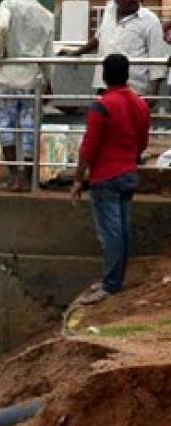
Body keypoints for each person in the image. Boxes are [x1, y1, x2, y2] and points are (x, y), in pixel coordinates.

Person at [71, 54, 149, 305]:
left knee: (110, 233)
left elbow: (89, 147)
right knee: (122, 229)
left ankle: (110, 284)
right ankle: (115, 279)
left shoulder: (102, 106)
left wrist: (77, 178)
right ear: (127, 74)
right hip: (128, 172)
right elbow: (142, 142)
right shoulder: (140, 104)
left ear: (104, 76)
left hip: (105, 176)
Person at [0, 0, 54, 192]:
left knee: (6, 125)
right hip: (33, 75)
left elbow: (1, 29)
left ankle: (14, 176)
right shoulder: (46, 15)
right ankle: (29, 176)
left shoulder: (8, 4)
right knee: (30, 128)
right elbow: (49, 54)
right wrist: (50, 82)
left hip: (8, 73)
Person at [68, 0, 168, 98]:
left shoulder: (150, 20)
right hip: (104, 85)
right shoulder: (109, 12)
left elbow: (156, 59)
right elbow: (98, 38)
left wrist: (152, 94)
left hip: (133, 90)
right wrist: (76, 53)